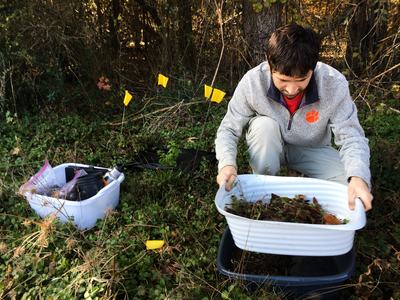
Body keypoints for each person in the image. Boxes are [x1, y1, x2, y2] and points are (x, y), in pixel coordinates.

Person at [215, 23, 373, 211]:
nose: (291, 89)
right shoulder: (253, 82)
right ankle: (264, 192)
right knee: (263, 126)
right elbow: (229, 128)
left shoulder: (333, 83)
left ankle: (308, 187)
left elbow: (352, 136)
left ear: (313, 69)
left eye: (301, 81)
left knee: (349, 189)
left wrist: (357, 177)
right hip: (270, 146)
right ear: (269, 64)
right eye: (283, 80)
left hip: (312, 149)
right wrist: (226, 165)